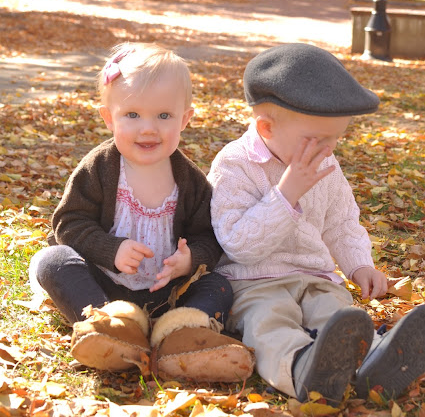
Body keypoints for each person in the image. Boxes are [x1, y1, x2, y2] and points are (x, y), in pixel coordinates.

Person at [208, 43, 425, 406]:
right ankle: (301, 368)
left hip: (315, 276)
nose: (329, 149)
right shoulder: (235, 165)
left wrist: (359, 264)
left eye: (336, 138)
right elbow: (237, 244)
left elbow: (341, 221)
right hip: (254, 282)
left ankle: (374, 362)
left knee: (338, 315)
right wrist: (286, 194)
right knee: (269, 324)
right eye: (319, 139)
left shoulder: (327, 163)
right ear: (266, 128)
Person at [30, 43, 254, 381]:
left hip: (168, 295)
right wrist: (112, 249)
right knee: (53, 261)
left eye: (164, 116)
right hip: (104, 286)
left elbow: (209, 235)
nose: (148, 128)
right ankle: (108, 329)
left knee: (219, 284)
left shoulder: (190, 181)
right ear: (109, 118)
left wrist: (190, 260)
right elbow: (69, 222)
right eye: (132, 115)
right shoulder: (99, 168)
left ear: (185, 119)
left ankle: (183, 337)